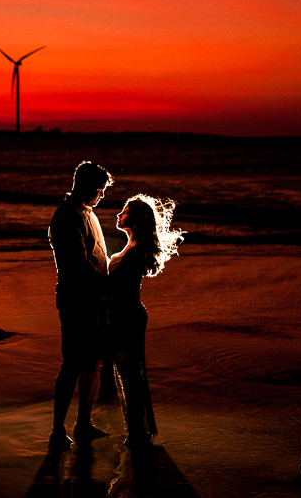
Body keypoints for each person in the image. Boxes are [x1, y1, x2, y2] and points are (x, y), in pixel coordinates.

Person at [105, 194, 185, 447]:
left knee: (130, 372)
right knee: (127, 370)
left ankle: (137, 430)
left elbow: (116, 287)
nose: (119, 214)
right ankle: (137, 428)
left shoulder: (137, 250)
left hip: (128, 313)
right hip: (125, 312)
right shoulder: (132, 246)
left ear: (137, 220)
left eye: (125, 211)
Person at [47, 160, 114, 448]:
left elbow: (99, 259)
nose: (101, 196)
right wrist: (108, 285)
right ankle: (58, 429)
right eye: (100, 190)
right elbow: (79, 264)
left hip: (96, 299)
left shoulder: (89, 215)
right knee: (73, 363)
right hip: (76, 300)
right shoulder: (66, 217)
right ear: (88, 187)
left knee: (91, 363)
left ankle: (83, 422)